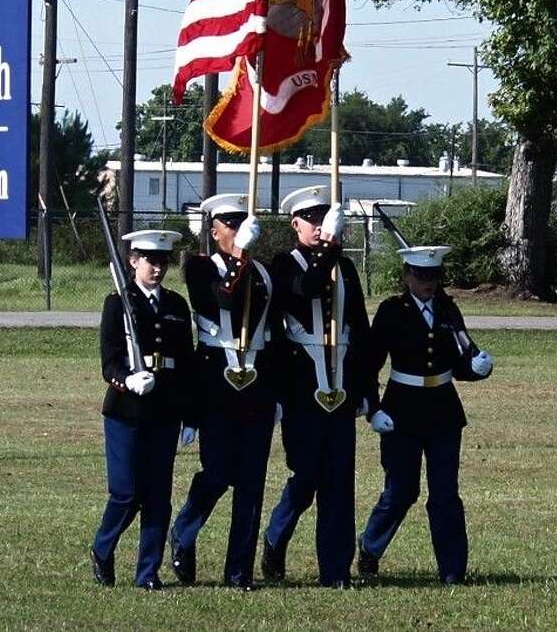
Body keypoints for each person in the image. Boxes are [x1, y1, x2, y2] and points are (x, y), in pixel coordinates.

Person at [356, 245, 495, 585]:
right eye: (421, 276)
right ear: (407, 276)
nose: (428, 283)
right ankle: (370, 547)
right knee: (401, 490)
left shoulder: (448, 310)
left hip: (444, 412)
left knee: (445, 493)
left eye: (434, 276)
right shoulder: (393, 311)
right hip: (401, 410)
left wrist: (478, 368)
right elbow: (369, 363)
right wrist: (373, 409)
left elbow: (460, 361)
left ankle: (452, 570)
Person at [261, 185, 376, 588]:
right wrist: (328, 245)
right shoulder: (283, 264)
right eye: (311, 219)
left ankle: (335, 570)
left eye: (324, 218)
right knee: (306, 475)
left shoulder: (344, 269)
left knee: (339, 483)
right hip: (301, 387)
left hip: (341, 387)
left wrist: (368, 391)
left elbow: (360, 331)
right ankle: (275, 538)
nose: (318, 225)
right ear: (295, 224)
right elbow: (304, 290)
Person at [170, 192, 275, 590]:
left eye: (242, 223)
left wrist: (277, 392)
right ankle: (184, 530)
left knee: (251, 482)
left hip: (257, 385)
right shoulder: (198, 267)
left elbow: (274, 336)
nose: (237, 230)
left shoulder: (264, 274)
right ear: (215, 232)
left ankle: (239, 571)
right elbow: (223, 301)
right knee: (218, 473)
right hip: (216, 383)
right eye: (230, 225)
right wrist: (241, 258)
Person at [90, 229, 196, 591]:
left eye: (162, 262)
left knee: (157, 496)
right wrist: (127, 380)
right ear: (133, 261)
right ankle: (103, 548)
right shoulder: (118, 302)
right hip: (126, 411)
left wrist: (190, 416)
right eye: (150, 260)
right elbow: (109, 362)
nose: (157, 268)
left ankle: (147, 573)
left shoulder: (177, 306)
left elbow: (187, 364)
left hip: (165, 410)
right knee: (126, 492)